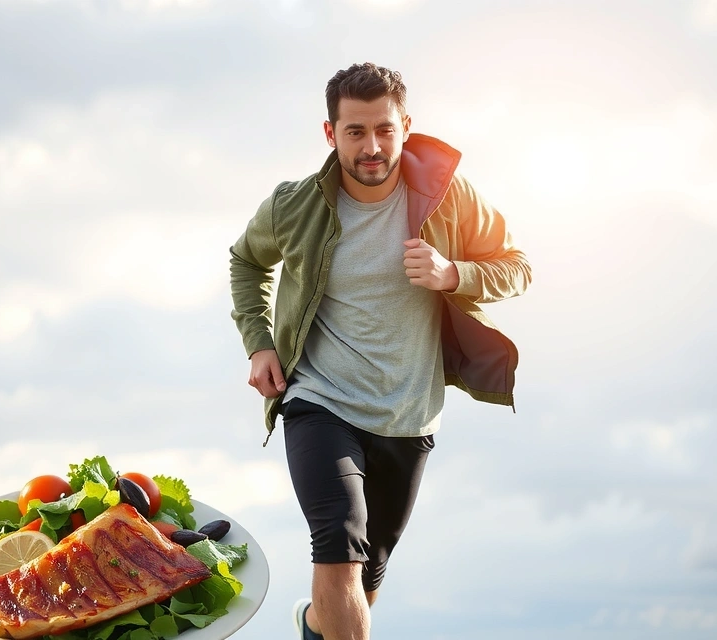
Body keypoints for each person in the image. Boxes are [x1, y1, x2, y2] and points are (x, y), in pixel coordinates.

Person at [228, 62, 532, 640]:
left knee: (367, 574)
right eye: (355, 132)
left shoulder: (449, 198)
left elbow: (517, 267)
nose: (372, 147)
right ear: (330, 133)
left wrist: (453, 273)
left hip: (407, 414)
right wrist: (259, 342)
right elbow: (246, 260)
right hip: (320, 400)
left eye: (385, 130)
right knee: (337, 542)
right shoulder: (294, 205)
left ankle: (313, 624)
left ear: (405, 127)